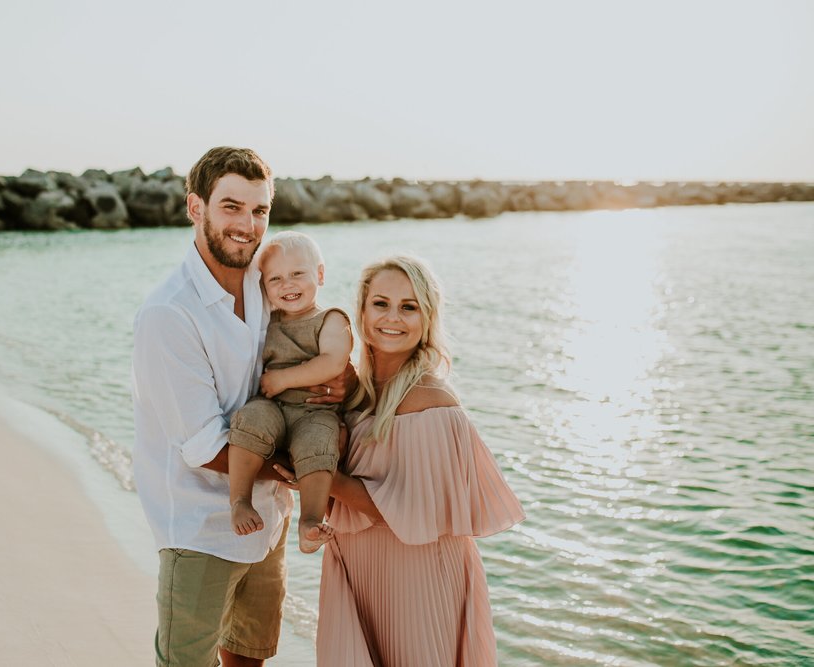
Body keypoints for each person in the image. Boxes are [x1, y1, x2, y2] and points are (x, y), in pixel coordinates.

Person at [131, 147, 345, 667]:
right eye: (231, 207)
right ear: (195, 208)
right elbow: (203, 446)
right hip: (201, 527)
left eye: (260, 210)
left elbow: (312, 340)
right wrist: (303, 473)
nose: (248, 226)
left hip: (268, 520)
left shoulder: (267, 280)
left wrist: (337, 383)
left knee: (249, 658)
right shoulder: (168, 313)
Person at [310, 256, 526, 666]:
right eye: (381, 303)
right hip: (358, 569)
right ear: (361, 310)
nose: (393, 317)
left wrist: (324, 478)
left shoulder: (434, 405)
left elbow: (408, 511)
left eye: (409, 307)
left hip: (417, 578)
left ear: (427, 318)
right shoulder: (353, 392)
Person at [227, 230, 353, 554]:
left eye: (298, 274)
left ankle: (309, 520)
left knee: (319, 443)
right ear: (263, 287)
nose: (287, 285)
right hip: (272, 406)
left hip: (314, 411)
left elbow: (333, 362)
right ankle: (240, 500)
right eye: (275, 279)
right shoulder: (266, 319)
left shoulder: (331, 319)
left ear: (320, 274)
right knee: (249, 420)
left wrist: (282, 379)